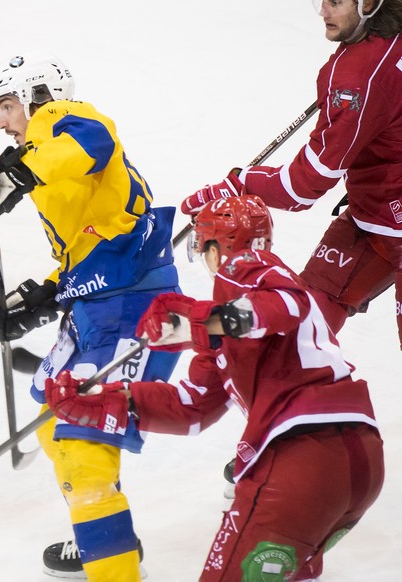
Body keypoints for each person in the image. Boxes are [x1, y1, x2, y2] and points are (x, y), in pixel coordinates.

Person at [45, 195, 384, 581]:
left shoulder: (248, 268)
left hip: (302, 456)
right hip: (359, 462)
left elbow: (286, 307)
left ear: (212, 245)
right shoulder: (225, 322)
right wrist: (109, 400)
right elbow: (193, 409)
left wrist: (200, 323)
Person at [0, 55, 181, 581]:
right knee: (48, 410)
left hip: (134, 308)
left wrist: (18, 170)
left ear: (37, 96)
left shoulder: (65, 119)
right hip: (102, 302)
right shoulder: (50, 160)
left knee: (82, 440)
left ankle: (113, 564)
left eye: (7, 105)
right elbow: (91, 249)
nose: (0, 121)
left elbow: (94, 139)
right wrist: (38, 301)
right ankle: (106, 535)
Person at [179, 0, 402, 349]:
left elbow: (304, 187)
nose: (324, 12)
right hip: (377, 215)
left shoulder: (357, 74)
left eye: (337, 2)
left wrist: (240, 183)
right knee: (302, 324)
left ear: (370, 4)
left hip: (390, 215)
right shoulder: (373, 54)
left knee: (300, 327)